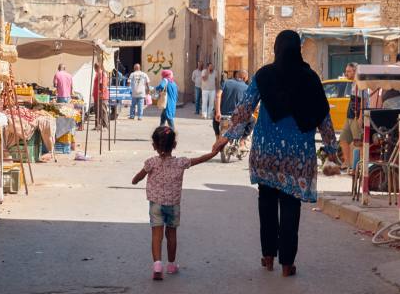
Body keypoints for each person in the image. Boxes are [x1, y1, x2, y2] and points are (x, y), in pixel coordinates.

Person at [213, 30, 341, 276]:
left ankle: (268, 256)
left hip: (266, 152)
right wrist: (331, 147)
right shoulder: (310, 78)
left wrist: (227, 136)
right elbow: (323, 115)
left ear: (277, 48)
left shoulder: (264, 75)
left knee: (267, 201)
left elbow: (245, 108)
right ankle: (287, 264)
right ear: (298, 49)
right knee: (291, 204)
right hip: (297, 154)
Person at [131, 126, 219, 280]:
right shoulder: (181, 162)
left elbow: (139, 176)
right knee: (171, 235)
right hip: (173, 205)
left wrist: (134, 181)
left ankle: (157, 265)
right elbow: (200, 159)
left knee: (157, 235)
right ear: (174, 145)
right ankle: (171, 265)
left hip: (156, 204)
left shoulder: (151, 162)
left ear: (154, 146)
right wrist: (214, 153)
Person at [337, 62, 363, 172]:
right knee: (343, 138)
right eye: (346, 71)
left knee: (358, 142)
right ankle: (347, 163)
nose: (346, 73)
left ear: (355, 72)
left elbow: (363, 101)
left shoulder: (359, 84)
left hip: (356, 117)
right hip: (350, 117)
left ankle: (360, 164)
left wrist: (361, 116)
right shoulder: (353, 84)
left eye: (348, 71)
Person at [213, 68, 250, 144]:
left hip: (224, 114)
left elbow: (218, 95)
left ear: (237, 75)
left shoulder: (226, 82)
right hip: (238, 116)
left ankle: (217, 139)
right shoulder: (247, 87)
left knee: (215, 118)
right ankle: (242, 141)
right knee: (252, 121)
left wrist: (218, 112)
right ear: (245, 77)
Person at [92, 62, 109, 130]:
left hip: (102, 96)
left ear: (95, 68)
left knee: (103, 111)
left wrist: (101, 93)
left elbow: (104, 83)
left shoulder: (101, 73)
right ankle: (97, 126)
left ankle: (105, 126)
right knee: (97, 111)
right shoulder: (98, 74)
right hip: (97, 96)